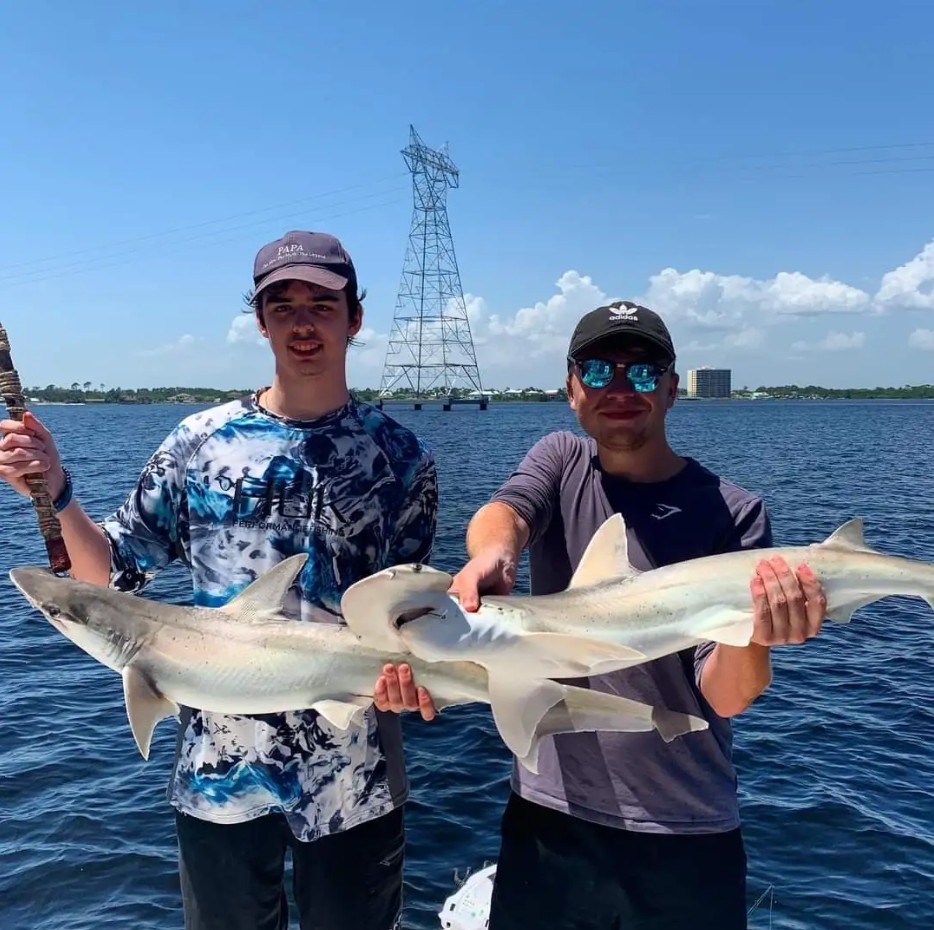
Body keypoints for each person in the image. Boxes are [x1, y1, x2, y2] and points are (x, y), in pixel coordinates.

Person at [0, 230, 439, 930]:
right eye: (282, 304)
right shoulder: (199, 441)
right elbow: (111, 573)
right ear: (259, 320)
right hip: (219, 777)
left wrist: (420, 682)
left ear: (354, 317)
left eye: (322, 304)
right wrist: (54, 490)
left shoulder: (401, 456)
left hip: (357, 773)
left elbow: (411, 612)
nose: (302, 322)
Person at [376, 299, 829, 930]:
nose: (620, 389)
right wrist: (493, 556)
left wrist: (754, 634)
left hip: (684, 828)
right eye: (598, 371)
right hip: (548, 820)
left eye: (642, 373)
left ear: (672, 389)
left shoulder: (734, 512)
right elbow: (507, 511)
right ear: (571, 388)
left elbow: (726, 696)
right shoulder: (563, 461)